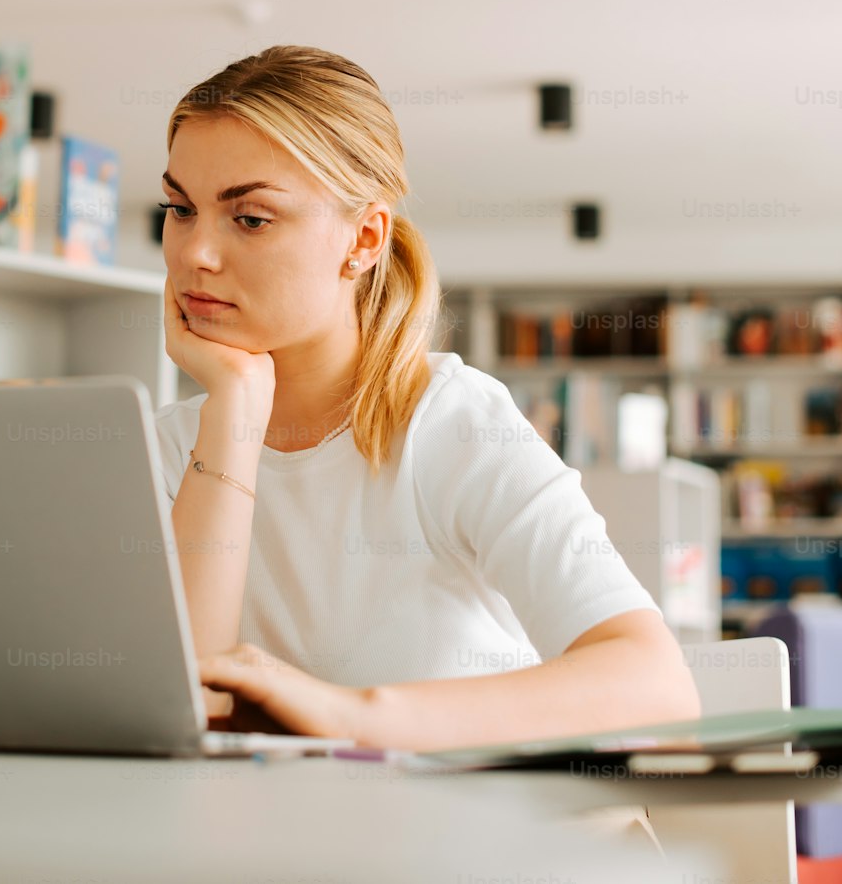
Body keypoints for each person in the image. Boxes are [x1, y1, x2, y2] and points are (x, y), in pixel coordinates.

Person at [153, 44, 700, 754]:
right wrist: (231, 410)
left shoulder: (452, 421)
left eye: (250, 218)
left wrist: (348, 718)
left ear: (364, 238)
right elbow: (185, 714)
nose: (195, 252)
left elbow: (656, 686)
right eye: (179, 209)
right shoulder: (173, 444)